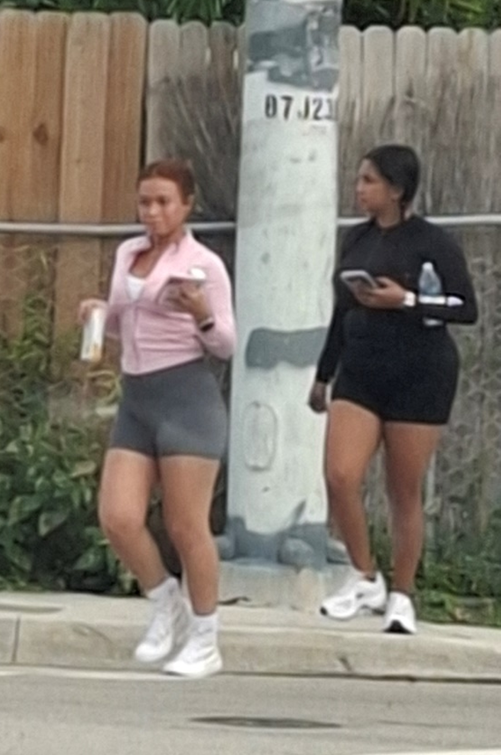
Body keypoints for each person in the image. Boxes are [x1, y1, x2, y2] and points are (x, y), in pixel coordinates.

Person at [308, 144, 477, 634]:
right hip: (361, 370)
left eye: (369, 181)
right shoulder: (357, 239)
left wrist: (405, 300)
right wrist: (323, 374)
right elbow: (341, 309)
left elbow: (465, 307)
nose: (359, 189)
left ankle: (402, 594)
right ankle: (365, 576)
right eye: (359, 180)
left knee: (403, 489)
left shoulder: (432, 242)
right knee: (340, 474)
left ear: (397, 190)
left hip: (420, 373)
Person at [79, 159, 236, 678]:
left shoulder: (204, 265)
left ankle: (206, 637)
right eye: (145, 201)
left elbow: (225, 343)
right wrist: (99, 313)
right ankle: (165, 599)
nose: (153, 212)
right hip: (138, 396)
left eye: (164, 202)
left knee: (186, 525)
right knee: (118, 516)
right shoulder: (129, 253)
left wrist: (200, 312)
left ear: (186, 205)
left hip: (186, 398)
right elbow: (124, 322)